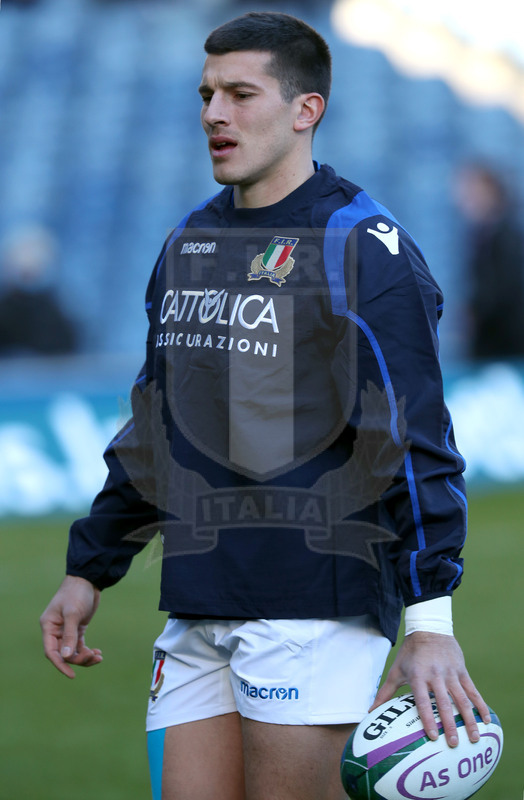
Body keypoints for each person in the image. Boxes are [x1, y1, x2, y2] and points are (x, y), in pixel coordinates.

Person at [40, 12, 491, 800]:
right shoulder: (188, 244)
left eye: (241, 93)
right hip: (195, 603)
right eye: (207, 93)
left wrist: (428, 626)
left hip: (311, 613)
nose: (215, 113)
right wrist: (91, 567)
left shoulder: (363, 247)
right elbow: (156, 422)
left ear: (305, 109)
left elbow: (416, 442)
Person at [455, 163, 524, 360]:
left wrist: (476, 313)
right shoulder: (481, 235)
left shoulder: (506, 235)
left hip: (505, 345)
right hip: (492, 343)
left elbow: (505, 290)